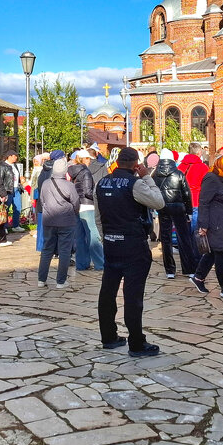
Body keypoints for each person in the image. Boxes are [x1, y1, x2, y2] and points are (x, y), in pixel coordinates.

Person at [95, 147, 165, 356]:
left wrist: (105, 236)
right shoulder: (135, 184)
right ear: (136, 165)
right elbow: (158, 202)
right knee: (133, 295)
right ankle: (136, 342)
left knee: (108, 291)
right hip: (133, 244)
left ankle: (108, 336)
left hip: (111, 243)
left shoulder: (102, 183)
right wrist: (147, 178)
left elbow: (98, 217)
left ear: (117, 163)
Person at [189, 153, 223, 299]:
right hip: (217, 224)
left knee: (213, 252)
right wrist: (203, 225)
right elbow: (204, 202)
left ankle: (198, 277)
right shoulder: (211, 178)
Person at [152, 148, 197, 279]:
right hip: (178, 207)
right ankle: (189, 269)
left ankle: (169, 270)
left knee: (165, 240)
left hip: (162, 207)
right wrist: (189, 211)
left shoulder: (155, 174)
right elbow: (186, 194)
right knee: (184, 238)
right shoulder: (179, 173)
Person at [38, 158, 81, 287]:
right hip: (66, 221)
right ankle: (61, 281)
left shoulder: (46, 183)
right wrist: (74, 212)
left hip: (49, 220)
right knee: (65, 251)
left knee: (46, 250)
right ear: (65, 171)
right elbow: (76, 203)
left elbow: (42, 200)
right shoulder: (69, 185)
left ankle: (41, 279)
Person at [69, 149, 104, 271]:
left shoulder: (73, 171)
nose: (90, 161)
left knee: (80, 237)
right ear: (85, 159)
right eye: (88, 158)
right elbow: (88, 191)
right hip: (88, 206)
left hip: (77, 206)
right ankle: (100, 263)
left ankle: (82, 264)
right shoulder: (85, 172)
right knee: (93, 237)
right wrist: (98, 195)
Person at [34, 150, 63, 252]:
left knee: (42, 227)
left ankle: (41, 247)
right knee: (54, 228)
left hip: (42, 201)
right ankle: (52, 249)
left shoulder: (43, 169)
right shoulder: (56, 170)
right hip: (53, 203)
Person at [178, 143, 209, 232]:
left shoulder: (180, 166)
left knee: (183, 229)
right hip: (196, 200)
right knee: (195, 230)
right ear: (199, 152)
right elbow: (207, 184)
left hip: (182, 200)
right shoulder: (203, 167)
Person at [0, 151, 27, 232]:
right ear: (9, 156)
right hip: (8, 190)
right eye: (14, 156)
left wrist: (21, 180)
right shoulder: (3, 166)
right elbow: (0, 179)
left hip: (16, 189)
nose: (16, 158)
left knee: (18, 207)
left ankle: (16, 225)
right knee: (6, 209)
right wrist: (2, 192)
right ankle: (4, 227)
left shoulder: (15, 165)